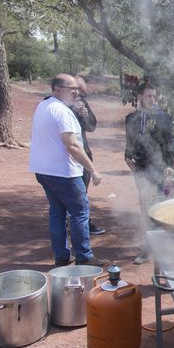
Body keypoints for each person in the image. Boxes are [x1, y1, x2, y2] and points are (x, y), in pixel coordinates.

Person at [28, 73, 109, 267]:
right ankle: (85, 257)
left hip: (44, 171)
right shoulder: (62, 111)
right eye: (71, 88)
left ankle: (62, 257)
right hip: (64, 173)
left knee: (57, 212)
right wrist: (93, 170)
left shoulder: (43, 105)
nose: (76, 92)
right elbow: (72, 145)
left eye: (77, 89)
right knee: (80, 212)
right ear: (56, 89)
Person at [125, 82, 174, 264]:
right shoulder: (131, 118)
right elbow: (130, 141)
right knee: (145, 206)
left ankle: (165, 247)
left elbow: (171, 141)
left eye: (154, 96)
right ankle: (147, 249)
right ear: (140, 97)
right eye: (148, 96)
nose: (152, 99)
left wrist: (171, 163)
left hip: (160, 168)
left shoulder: (163, 117)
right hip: (141, 169)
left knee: (161, 206)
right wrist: (127, 156)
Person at [71, 76, 105, 236]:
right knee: (72, 194)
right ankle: (74, 226)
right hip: (67, 158)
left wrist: (84, 114)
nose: (81, 96)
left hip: (83, 155)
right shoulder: (58, 104)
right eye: (79, 92)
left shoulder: (82, 103)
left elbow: (92, 126)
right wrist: (72, 110)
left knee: (82, 192)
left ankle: (83, 223)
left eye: (84, 94)